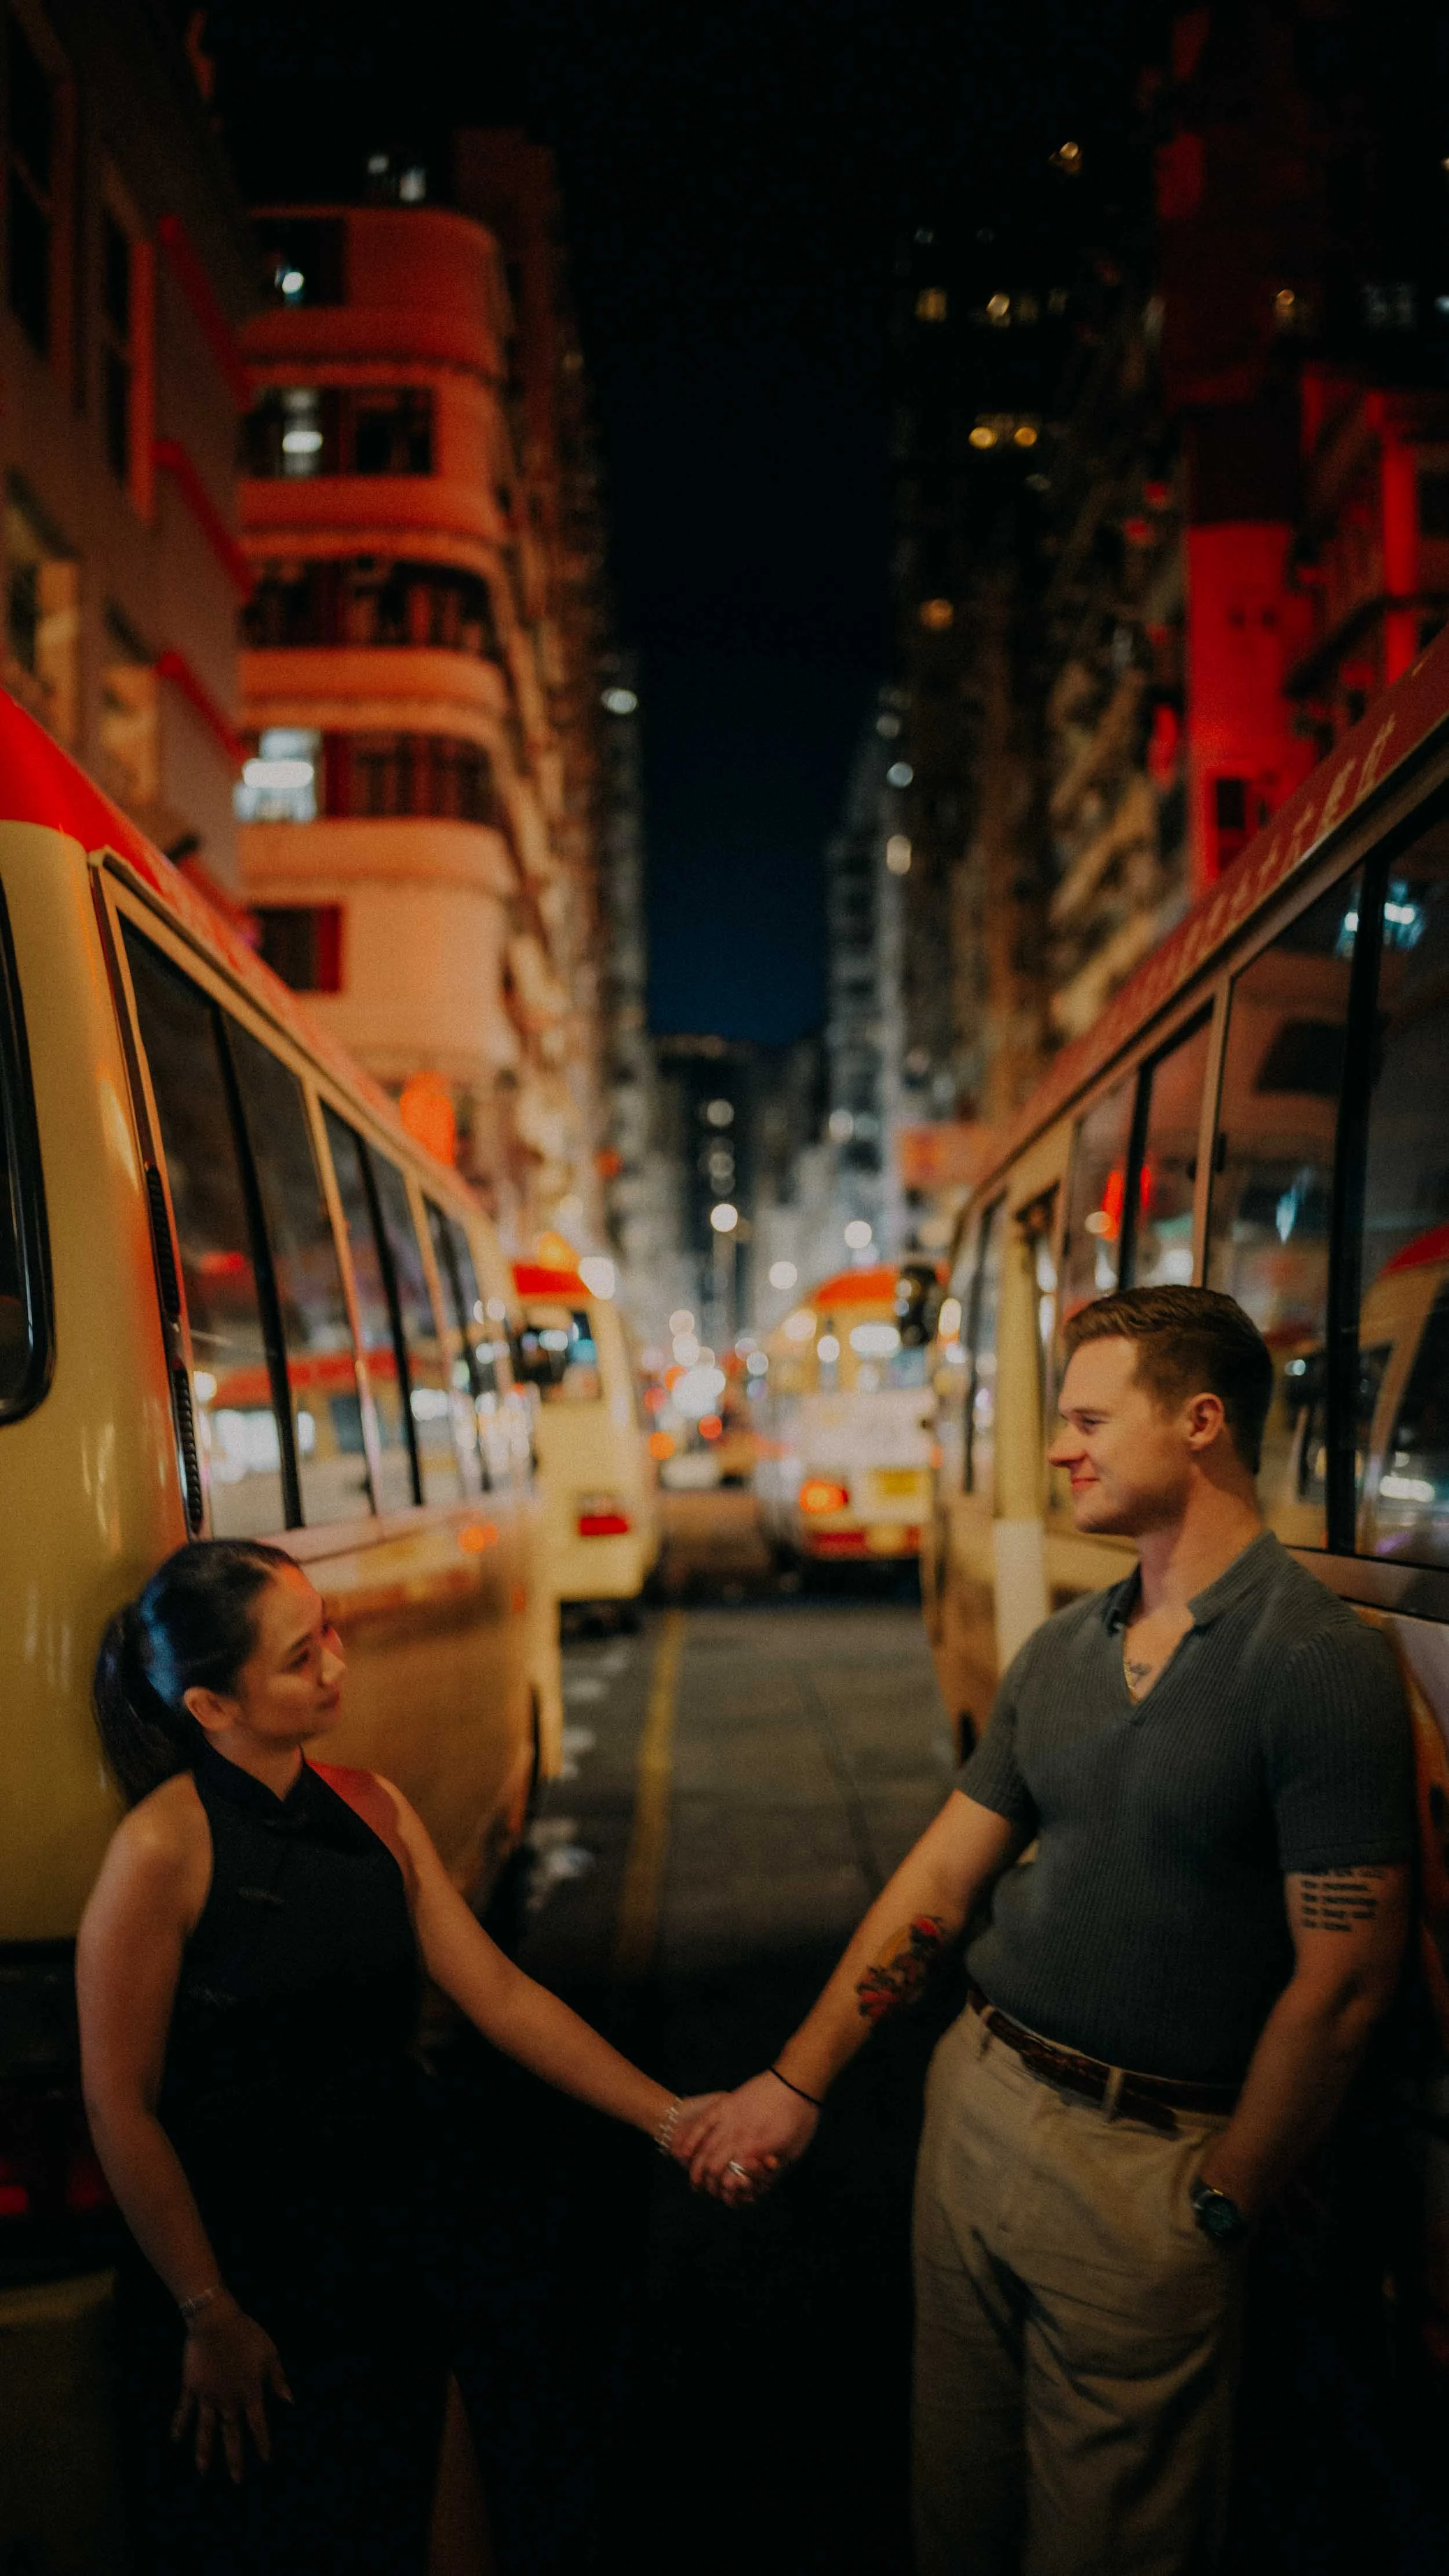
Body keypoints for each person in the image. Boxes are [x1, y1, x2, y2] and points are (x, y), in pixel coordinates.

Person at [684, 1286, 1414, 2576]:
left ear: (1199, 1421)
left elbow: (1345, 1980)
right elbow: (936, 1884)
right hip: (976, 2111)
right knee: (951, 2513)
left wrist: (1223, 2199)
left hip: (1150, 2169)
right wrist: (798, 2078)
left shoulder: (1310, 1661)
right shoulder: (1063, 1647)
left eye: (1086, 1417)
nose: (1058, 1448)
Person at [78, 1538, 718, 2575]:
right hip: (244, 2265)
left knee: (435, 2510)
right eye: (299, 1656)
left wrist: (670, 2116)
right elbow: (122, 2103)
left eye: (327, 1630)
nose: (336, 1662)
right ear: (212, 1709)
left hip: (391, 2229)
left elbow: (502, 1996)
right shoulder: (162, 1851)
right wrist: (210, 2312)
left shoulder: (373, 1808)